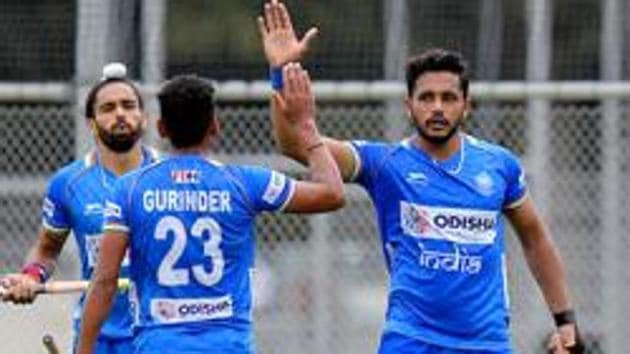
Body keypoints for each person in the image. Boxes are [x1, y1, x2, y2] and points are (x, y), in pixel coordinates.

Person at [258, 1, 584, 353]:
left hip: (486, 343)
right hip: (412, 340)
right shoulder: (385, 163)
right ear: (408, 105)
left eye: (449, 97)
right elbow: (294, 143)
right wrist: (281, 70)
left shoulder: (498, 165)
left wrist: (564, 320)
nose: (438, 108)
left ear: (466, 105)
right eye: (426, 98)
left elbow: (535, 238)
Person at [76, 67, 344, 354]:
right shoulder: (244, 183)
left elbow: (104, 281)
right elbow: (332, 193)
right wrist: (305, 125)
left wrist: (83, 350)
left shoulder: (129, 190)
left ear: (161, 128)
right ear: (215, 126)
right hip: (228, 346)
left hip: (159, 345)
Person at [0, 63, 158, 353]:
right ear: (91, 123)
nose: (120, 113)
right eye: (108, 108)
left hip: (162, 333)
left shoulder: (171, 174)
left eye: (128, 105)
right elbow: (47, 250)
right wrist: (31, 276)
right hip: (99, 336)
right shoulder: (69, 183)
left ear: (144, 118)